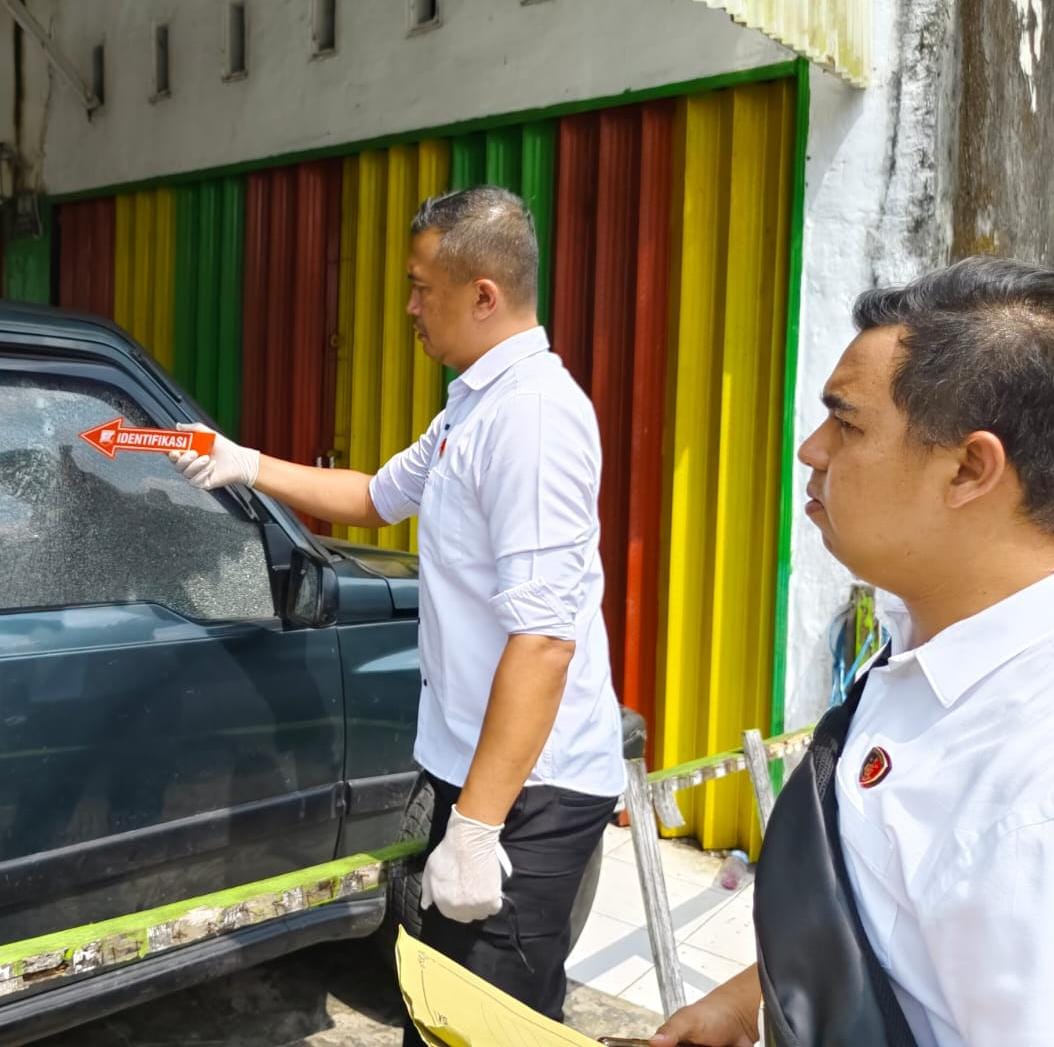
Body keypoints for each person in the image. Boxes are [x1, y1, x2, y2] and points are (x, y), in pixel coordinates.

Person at [168, 186, 625, 1030]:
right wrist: (242, 462)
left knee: (489, 1024)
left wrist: (480, 826)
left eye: (422, 287)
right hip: (470, 769)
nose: (409, 307)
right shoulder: (472, 405)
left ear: (483, 295)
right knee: (433, 1008)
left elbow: (546, 641)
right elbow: (376, 495)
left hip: (530, 791)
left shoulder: (532, 419)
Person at [652, 256, 1054, 1047]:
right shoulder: (928, 641)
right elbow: (911, 928)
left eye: (848, 422)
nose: (812, 449)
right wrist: (761, 999)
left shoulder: (1031, 783)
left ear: (969, 468)